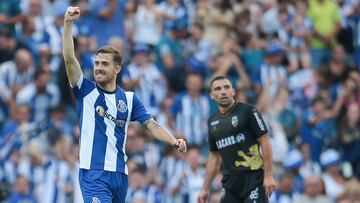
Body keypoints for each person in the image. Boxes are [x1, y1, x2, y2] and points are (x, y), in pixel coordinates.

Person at [62, 6, 187, 203]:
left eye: (104, 64)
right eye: (97, 63)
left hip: (120, 174)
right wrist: (68, 22)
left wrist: (173, 140)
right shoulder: (85, 90)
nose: (99, 68)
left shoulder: (128, 99)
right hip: (93, 173)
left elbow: (151, 125)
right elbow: (69, 59)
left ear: (117, 69)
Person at [198, 76, 276, 203]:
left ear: (233, 92)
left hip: (253, 178)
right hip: (229, 183)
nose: (223, 92)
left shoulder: (249, 110)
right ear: (212, 95)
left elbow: (265, 142)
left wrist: (268, 175)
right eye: (218, 89)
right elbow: (214, 158)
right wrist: (204, 188)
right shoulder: (212, 121)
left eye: (227, 87)